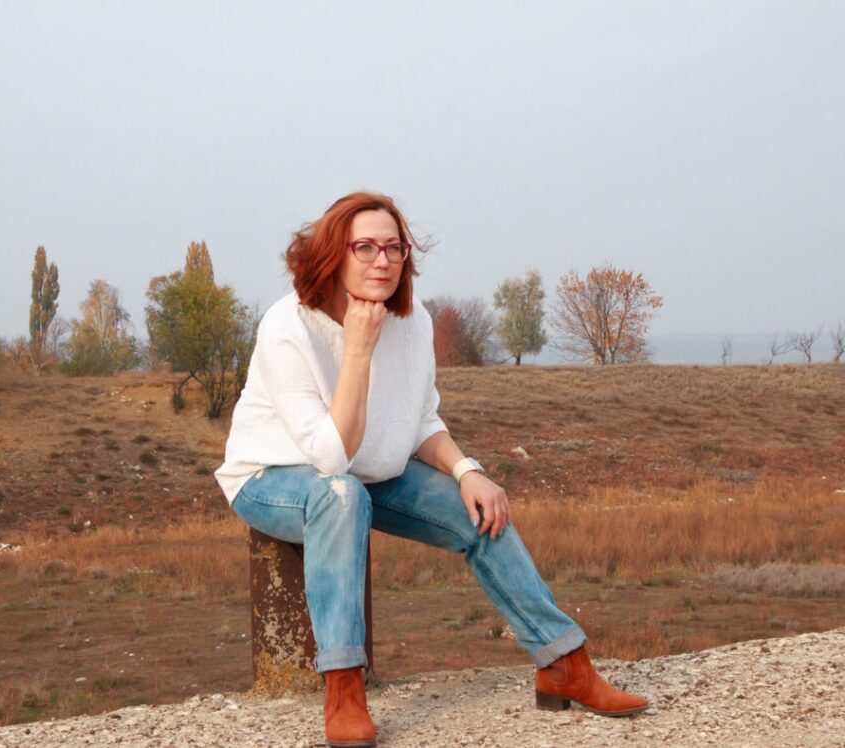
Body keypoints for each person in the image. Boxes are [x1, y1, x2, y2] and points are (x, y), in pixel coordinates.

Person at [215, 192, 648, 747]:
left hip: (371, 473)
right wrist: (357, 350)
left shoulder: (412, 320)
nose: (383, 260)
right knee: (341, 496)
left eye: (394, 247)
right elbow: (329, 459)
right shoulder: (287, 326)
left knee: (479, 513)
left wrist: (468, 470)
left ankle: (564, 662)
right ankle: (344, 690)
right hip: (274, 477)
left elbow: (419, 420)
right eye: (365, 247)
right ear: (334, 255)